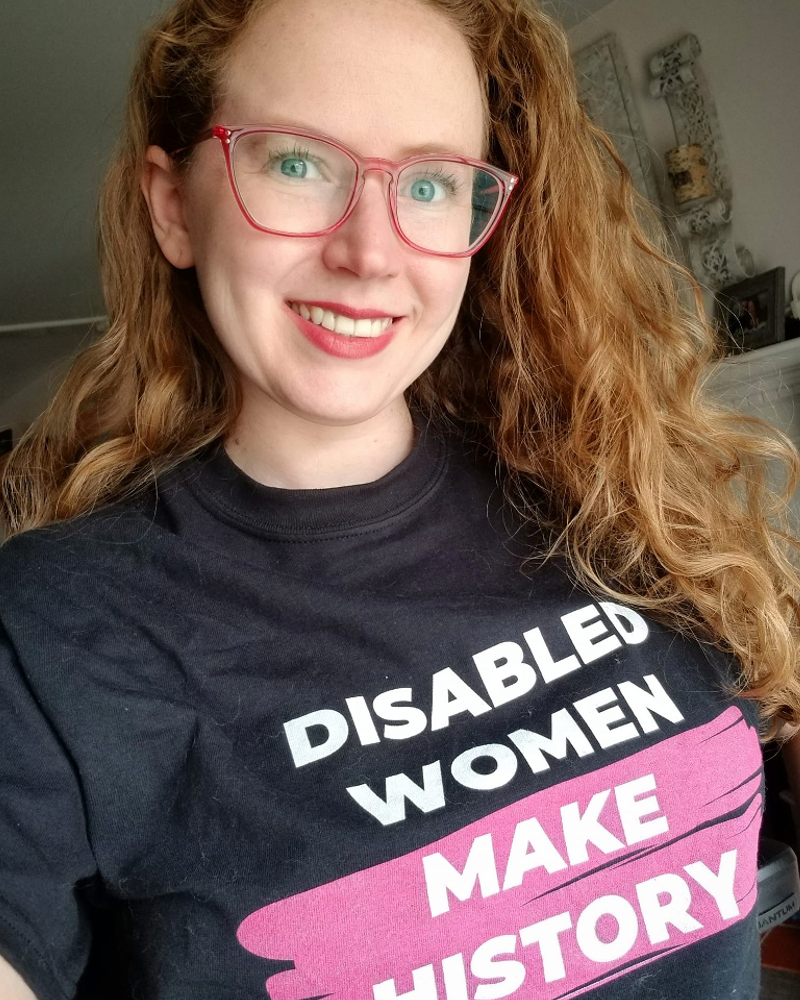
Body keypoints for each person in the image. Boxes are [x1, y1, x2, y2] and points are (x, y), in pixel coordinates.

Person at [1, 0, 799, 997]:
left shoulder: (617, 486)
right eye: (297, 162)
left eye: (429, 183)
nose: (370, 252)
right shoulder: (50, 632)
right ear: (172, 207)